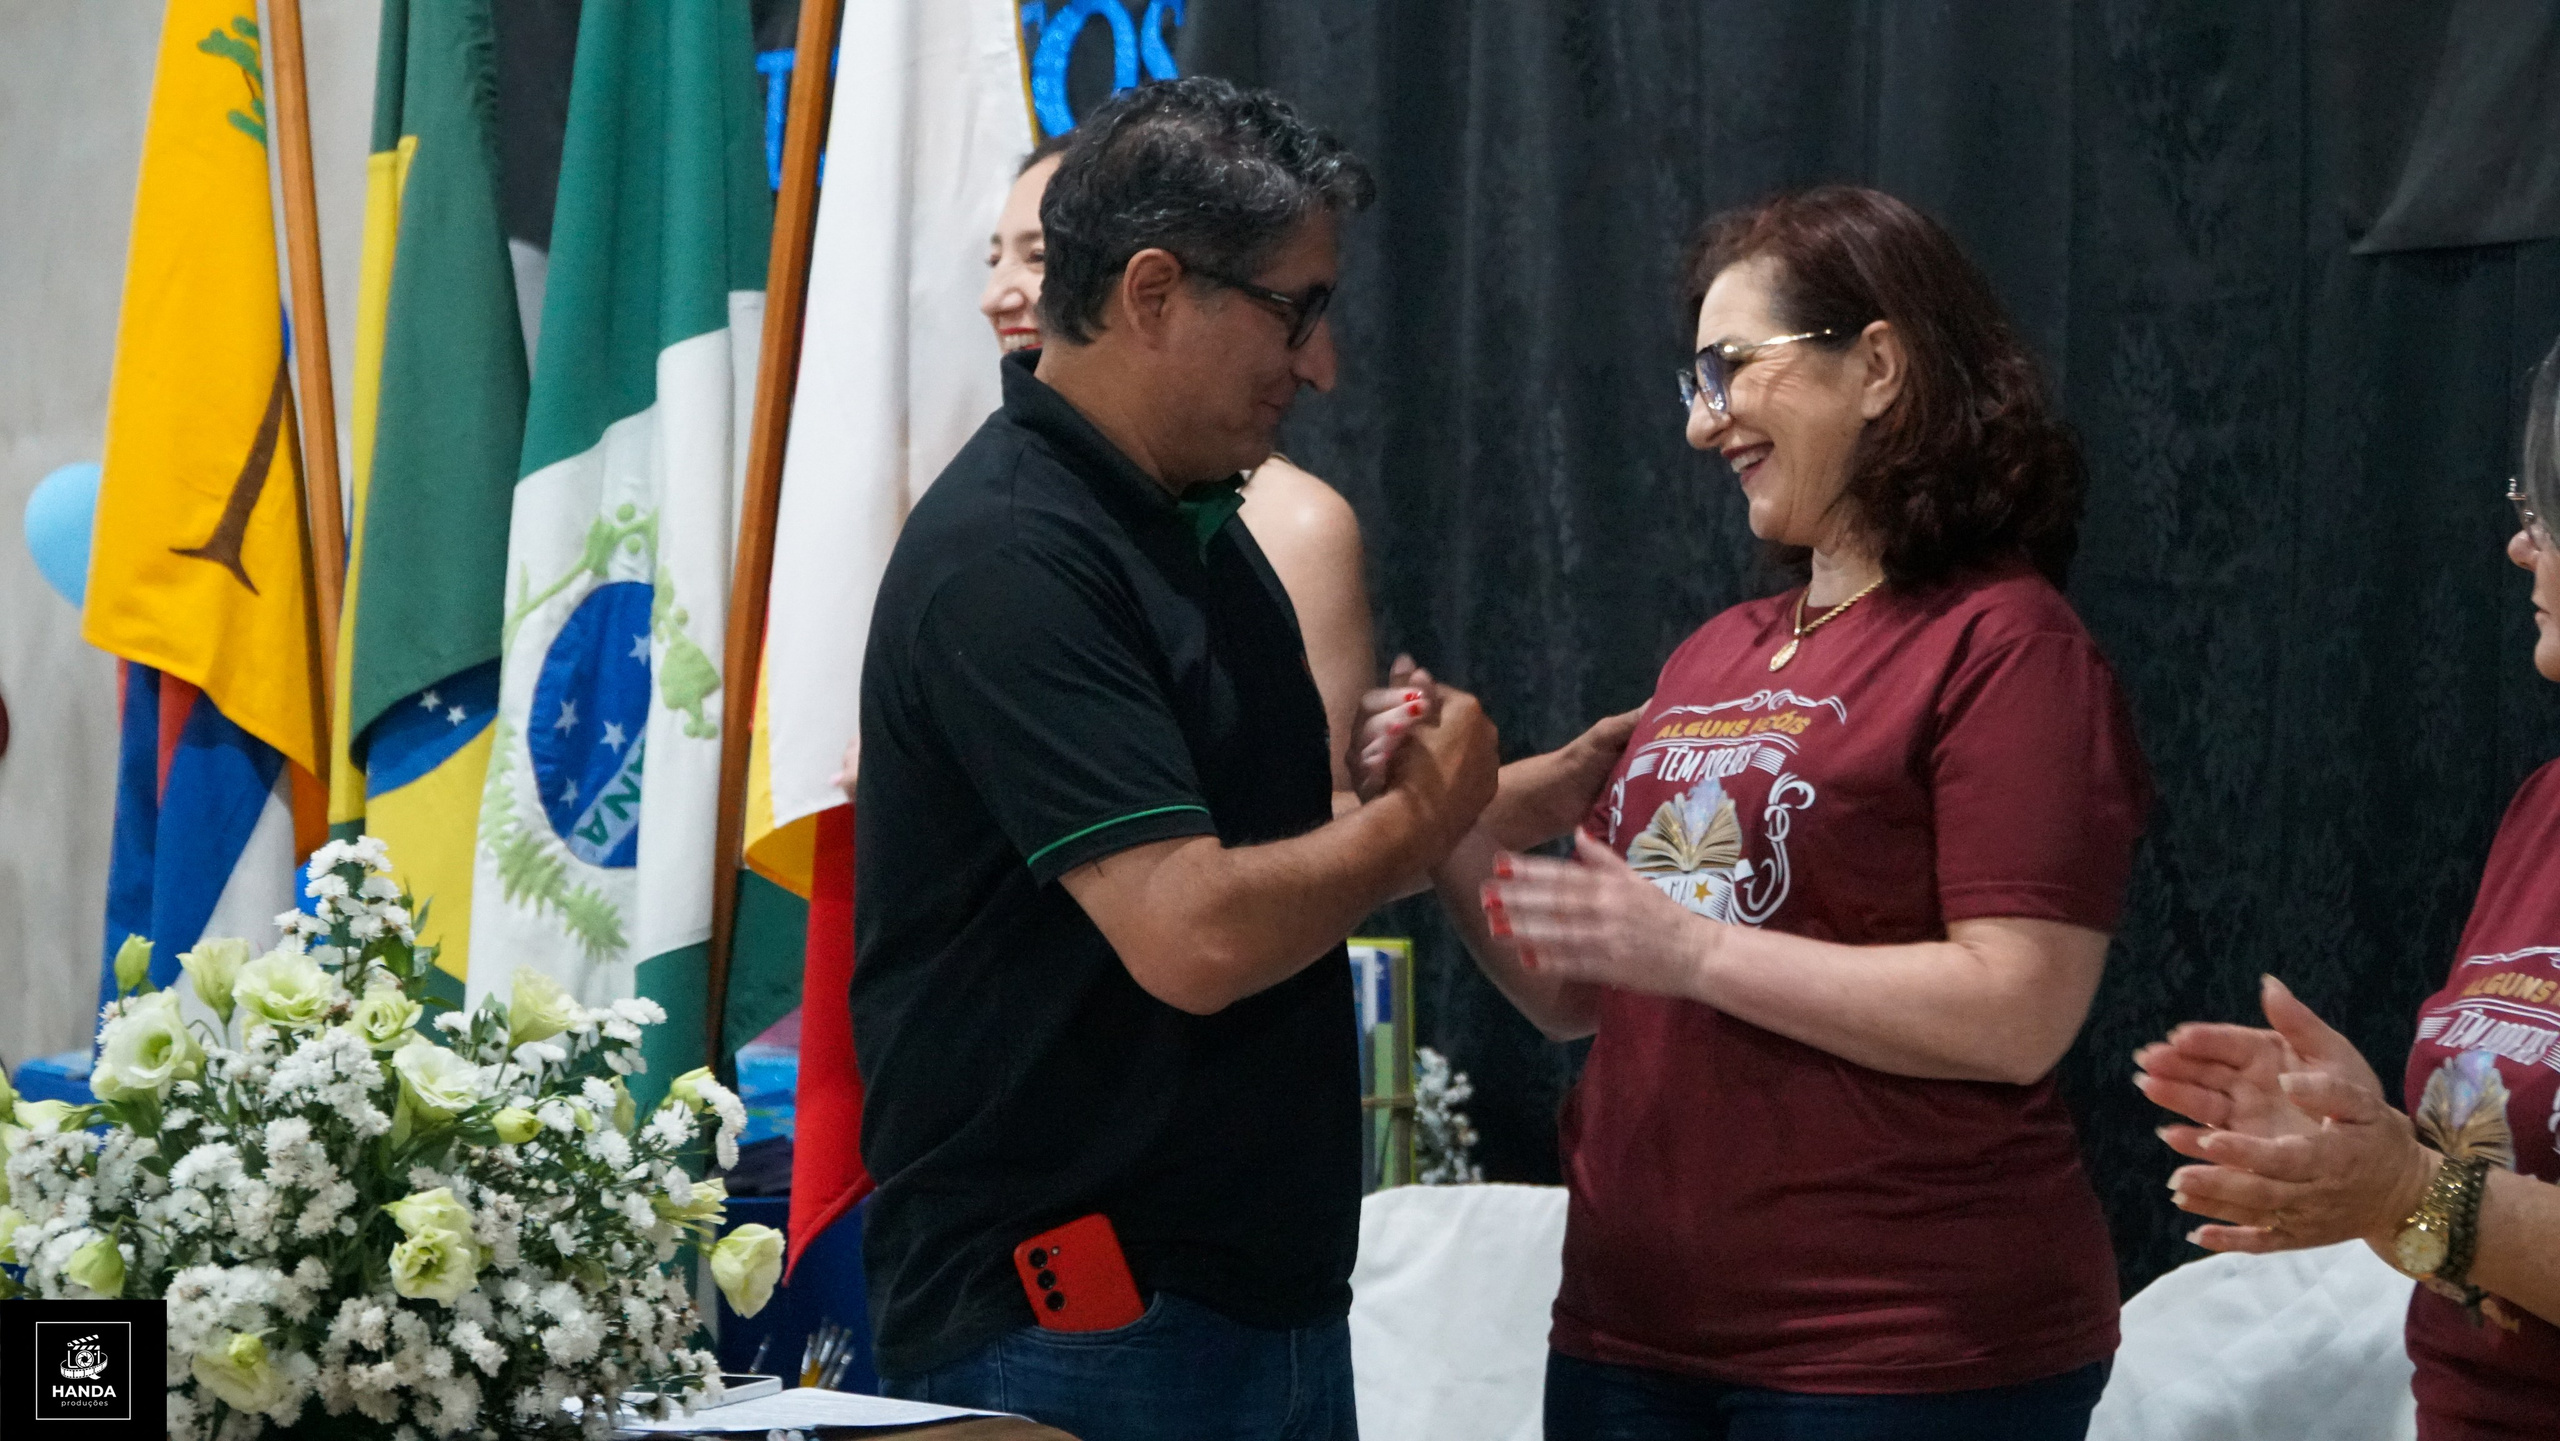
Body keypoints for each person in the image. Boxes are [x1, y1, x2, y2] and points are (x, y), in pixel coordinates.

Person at [1432, 186, 2153, 1439]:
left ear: (1876, 366)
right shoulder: (1716, 652)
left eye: (1730, 370)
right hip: (1627, 1334)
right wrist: (1441, 815)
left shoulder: (2005, 645)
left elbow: (2015, 1010)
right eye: (1694, 383)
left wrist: (1694, 951)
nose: (1702, 424)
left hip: (1894, 1349)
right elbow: (1574, 989)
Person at [850, 78, 1500, 1441]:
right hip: (1081, 1328)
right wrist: (1410, 825)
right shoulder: (1015, 555)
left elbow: (1263, 858)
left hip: (1239, 1307)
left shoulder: (1178, 522)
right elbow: (1192, 933)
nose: (1319, 365)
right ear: (1152, 292)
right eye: (1294, 310)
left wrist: (1514, 790)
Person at [2135, 341, 2560, 1438]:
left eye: (2545, 510)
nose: (2520, 545)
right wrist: (2349, 1159)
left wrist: (2405, 1187)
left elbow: (2446, 1206)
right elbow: (2473, 1237)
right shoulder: (2544, 807)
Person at [980, 132, 1377, 795]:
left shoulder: (1295, 523)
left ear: (1149, 288)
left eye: (1041, 256)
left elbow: (1315, 813)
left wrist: (1433, 801)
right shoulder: (1004, 517)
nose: (997, 295)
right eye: (995, 259)